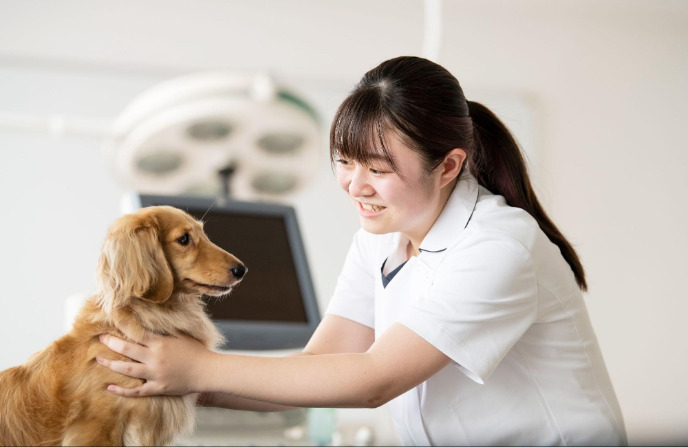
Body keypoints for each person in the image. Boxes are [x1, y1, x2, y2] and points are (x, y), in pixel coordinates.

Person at [98, 56, 627, 446]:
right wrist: (180, 383)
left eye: (377, 169)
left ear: (447, 166)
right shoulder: (378, 241)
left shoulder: (499, 245)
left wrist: (199, 370)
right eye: (345, 162)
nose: (355, 186)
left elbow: (374, 379)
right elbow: (320, 368)